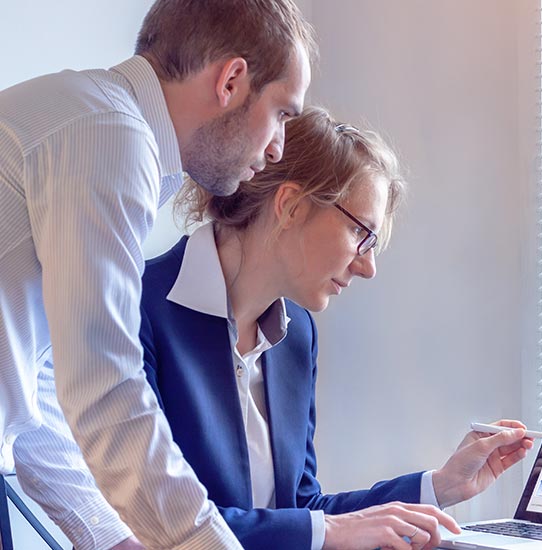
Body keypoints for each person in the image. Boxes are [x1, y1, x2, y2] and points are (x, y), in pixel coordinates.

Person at [138, 107, 535, 550]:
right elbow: (153, 524)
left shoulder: (296, 334)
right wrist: (326, 530)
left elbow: (303, 509)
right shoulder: (137, 310)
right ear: (290, 205)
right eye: (361, 234)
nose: (368, 267)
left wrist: (440, 486)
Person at [0, 1, 315, 548]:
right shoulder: (108, 135)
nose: (279, 147)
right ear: (232, 80)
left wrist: (111, 537)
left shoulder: (96, 122)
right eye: (283, 113)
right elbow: (105, 388)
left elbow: (34, 386)